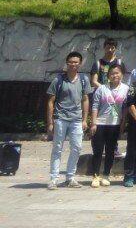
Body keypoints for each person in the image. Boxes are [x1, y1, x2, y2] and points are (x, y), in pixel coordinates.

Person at [46, 51, 90, 189]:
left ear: (80, 64)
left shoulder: (84, 79)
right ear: (67, 63)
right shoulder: (58, 80)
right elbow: (50, 101)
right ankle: (53, 179)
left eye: (76, 62)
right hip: (61, 118)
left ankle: (70, 177)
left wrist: (85, 119)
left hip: (77, 119)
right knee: (57, 148)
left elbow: (85, 99)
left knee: (77, 148)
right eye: (70, 62)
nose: (73, 64)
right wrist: (50, 122)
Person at [89, 63, 128, 187]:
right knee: (98, 150)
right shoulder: (102, 88)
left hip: (115, 124)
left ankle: (106, 175)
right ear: (108, 76)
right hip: (100, 123)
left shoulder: (126, 89)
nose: (114, 75)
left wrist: (123, 123)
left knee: (110, 151)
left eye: (117, 73)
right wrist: (93, 123)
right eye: (112, 73)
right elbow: (95, 106)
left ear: (122, 74)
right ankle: (95, 176)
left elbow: (126, 108)